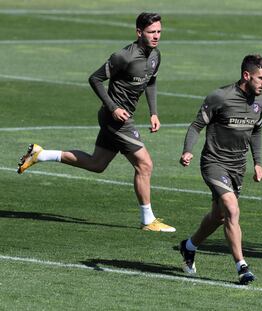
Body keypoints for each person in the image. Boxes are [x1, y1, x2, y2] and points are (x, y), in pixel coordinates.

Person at [17, 12, 175, 232]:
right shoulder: (124, 56)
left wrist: (154, 112)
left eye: (159, 31)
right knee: (145, 164)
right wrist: (114, 108)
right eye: (151, 32)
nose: (156, 36)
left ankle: (40, 154)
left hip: (124, 118)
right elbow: (95, 78)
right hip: (116, 120)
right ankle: (147, 220)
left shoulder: (155, 55)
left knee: (97, 164)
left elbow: (151, 82)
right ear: (139, 32)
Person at [178, 54, 262, 284]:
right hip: (214, 163)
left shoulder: (260, 102)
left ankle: (188, 247)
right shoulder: (220, 97)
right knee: (231, 208)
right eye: (261, 78)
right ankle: (242, 266)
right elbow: (197, 125)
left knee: (219, 216)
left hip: (238, 167)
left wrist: (257, 162)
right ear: (246, 75)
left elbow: (256, 131)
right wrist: (188, 150)